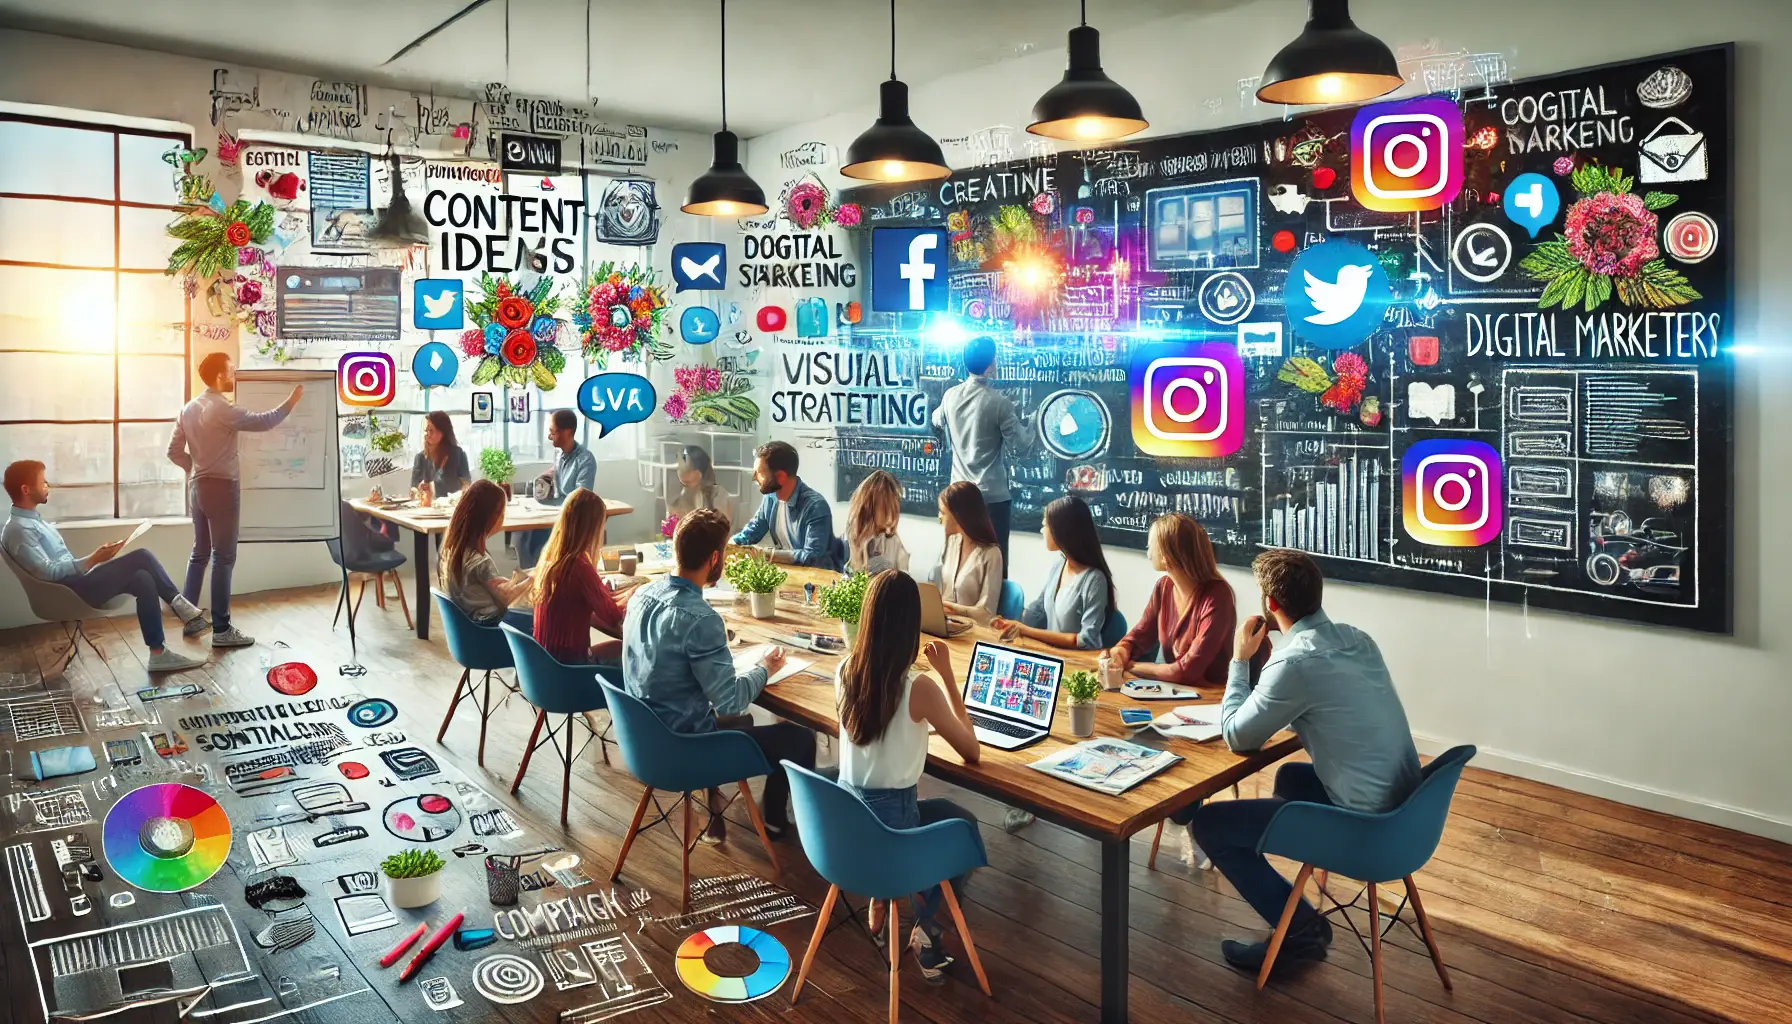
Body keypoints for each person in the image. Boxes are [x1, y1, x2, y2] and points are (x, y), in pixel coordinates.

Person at [1192, 549, 1422, 975]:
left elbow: (1238, 736)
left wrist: (1240, 659)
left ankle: (1298, 930)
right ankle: (1293, 893)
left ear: (1270, 605)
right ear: (1317, 594)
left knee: (1207, 825)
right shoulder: (1358, 638)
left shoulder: (1294, 662)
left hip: (1369, 830)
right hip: (1410, 812)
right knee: (1291, 778)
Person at [623, 508, 816, 836]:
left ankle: (718, 806)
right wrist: (765, 667)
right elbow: (730, 701)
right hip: (686, 752)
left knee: (740, 725)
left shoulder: (642, 594)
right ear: (715, 558)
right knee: (800, 738)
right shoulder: (701, 619)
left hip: (643, 742)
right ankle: (777, 823)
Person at [835, 570, 981, 983]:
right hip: (894, 834)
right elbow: (971, 750)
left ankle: (880, 899)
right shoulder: (919, 687)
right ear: (909, 625)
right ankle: (926, 929)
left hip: (849, 829)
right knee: (964, 825)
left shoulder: (845, 669)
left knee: (933, 812)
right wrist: (949, 677)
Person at [3, 460, 207, 672]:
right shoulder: (19, 530)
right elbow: (48, 572)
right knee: (142, 556)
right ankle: (184, 610)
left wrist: (95, 559)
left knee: (143, 578)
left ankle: (158, 653)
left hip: (78, 582)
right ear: (26, 489)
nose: (47, 485)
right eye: (42, 482)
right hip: (69, 591)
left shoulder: (33, 521)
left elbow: (57, 565)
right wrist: (92, 559)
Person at [167, 353, 302, 649]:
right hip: (222, 488)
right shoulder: (222, 408)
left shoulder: (188, 408)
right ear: (219, 377)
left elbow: (173, 451)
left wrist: (193, 467)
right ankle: (222, 629)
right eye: (230, 371)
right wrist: (291, 402)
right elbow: (263, 422)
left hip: (197, 488)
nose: (234, 376)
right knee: (223, 557)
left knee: (199, 553)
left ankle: (192, 621)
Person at [932, 335, 1029, 573]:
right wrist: (1034, 424)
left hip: (959, 497)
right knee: (994, 568)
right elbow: (1021, 446)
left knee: (958, 563)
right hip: (991, 500)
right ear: (991, 364)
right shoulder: (999, 404)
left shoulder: (950, 396)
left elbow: (936, 420)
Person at [1107, 513, 1241, 685]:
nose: (1148, 553)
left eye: (1151, 546)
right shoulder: (1164, 587)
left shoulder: (1218, 596)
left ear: (1167, 554)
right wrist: (1119, 654)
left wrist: (1130, 666)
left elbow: (1187, 671)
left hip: (1207, 698)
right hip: (1171, 690)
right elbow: (1138, 637)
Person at [993, 495, 1114, 651]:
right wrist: (1012, 624)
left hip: (1077, 661)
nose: (1042, 530)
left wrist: (1025, 630)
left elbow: (1087, 640)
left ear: (1062, 531)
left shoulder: (1095, 580)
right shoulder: (1060, 564)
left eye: (1045, 525)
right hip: (1051, 653)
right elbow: (1039, 610)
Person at [531, 489, 627, 664]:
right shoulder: (579, 566)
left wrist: (611, 596)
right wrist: (633, 595)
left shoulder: (550, 557)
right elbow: (612, 616)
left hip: (544, 665)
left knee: (619, 647)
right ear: (592, 527)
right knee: (632, 653)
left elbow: (597, 604)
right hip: (570, 669)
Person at [439, 479, 532, 632]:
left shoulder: (451, 551)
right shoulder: (480, 562)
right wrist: (531, 580)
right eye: (502, 512)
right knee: (540, 616)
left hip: (469, 628)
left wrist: (509, 581)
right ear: (491, 517)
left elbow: (481, 588)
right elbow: (506, 599)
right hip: (489, 628)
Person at [731, 441, 841, 570]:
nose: (754, 478)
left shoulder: (815, 506)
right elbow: (754, 529)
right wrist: (731, 545)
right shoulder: (770, 498)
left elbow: (812, 556)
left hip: (816, 580)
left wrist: (767, 554)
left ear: (781, 477)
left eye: (760, 473)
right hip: (788, 574)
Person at [518, 409, 597, 570]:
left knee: (537, 540)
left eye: (553, 432)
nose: (549, 436)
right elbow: (555, 470)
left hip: (571, 518)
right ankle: (535, 576)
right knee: (523, 536)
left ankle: (544, 575)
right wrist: (544, 477)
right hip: (555, 510)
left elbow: (580, 498)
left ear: (567, 432)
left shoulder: (585, 459)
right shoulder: (559, 454)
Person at [933, 481, 1002, 623]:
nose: (939, 517)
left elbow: (986, 613)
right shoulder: (951, 543)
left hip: (971, 631)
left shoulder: (991, 554)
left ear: (958, 515)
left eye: (943, 512)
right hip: (943, 623)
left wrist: (953, 609)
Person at [844, 469, 910, 574]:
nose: (890, 517)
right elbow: (850, 575)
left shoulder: (891, 540)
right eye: (885, 509)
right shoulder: (851, 535)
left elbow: (902, 579)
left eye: (894, 509)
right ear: (869, 507)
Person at [410, 411, 471, 504]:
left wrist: (459, 497)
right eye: (427, 430)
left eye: (431, 430)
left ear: (442, 432)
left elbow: (466, 486)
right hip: (426, 509)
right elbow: (414, 488)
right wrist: (417, 491)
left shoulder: (458, 455)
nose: (427, 434)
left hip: (451, 509)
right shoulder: (420, 458)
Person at [668, 445, 732, 519]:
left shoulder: (717, 494)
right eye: (679, 470)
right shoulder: (676, 499)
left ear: (701, 470)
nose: (683, 475)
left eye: (689, 470)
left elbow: (722, 525)